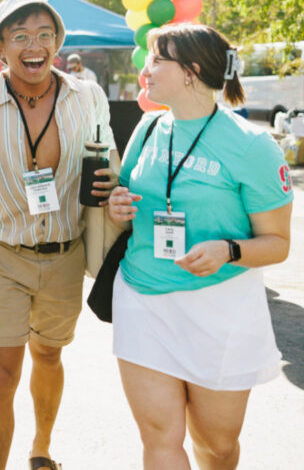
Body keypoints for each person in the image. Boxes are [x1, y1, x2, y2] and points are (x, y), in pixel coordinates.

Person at [0, 0, 116, 470]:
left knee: (49, 357)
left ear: (58, 42)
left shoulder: (89, 96)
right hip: (1, 256)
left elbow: (110, 162)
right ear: (1, 47)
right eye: (20, 36)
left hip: (66, 254)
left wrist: (112, 185)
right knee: (0, 375)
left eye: (44, 35)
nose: (33, 45)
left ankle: (41, 449)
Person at [107, 24, 292, 470]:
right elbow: (129, 199)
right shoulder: (148, 128)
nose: (145, 68)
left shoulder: (253, 147)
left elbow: (278, 244)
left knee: (218, 446)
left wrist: (228, 250)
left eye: (155, 59)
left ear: (190, 71)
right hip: (143, 299)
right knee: (160, 439)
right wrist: (117, 205)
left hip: (221, 308)